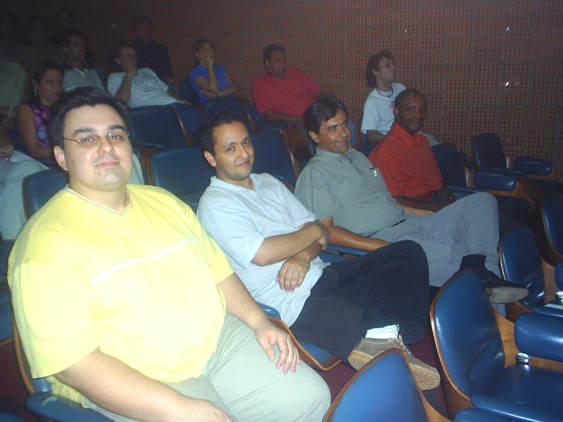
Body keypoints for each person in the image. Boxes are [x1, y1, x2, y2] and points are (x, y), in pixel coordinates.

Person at [8, 87, 330, 422]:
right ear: (61, 156)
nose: (106, 146)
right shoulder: (44, 244)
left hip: (218, 342)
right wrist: (178, 407)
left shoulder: (164, 202)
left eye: (116, 135)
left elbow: (219, 271)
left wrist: (259, 322)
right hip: (138, 373)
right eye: (87, 138)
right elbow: (73, 364)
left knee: (309, 398)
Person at [196, 111, 440, 390]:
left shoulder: (268, 182)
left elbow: (321, 233)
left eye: (246, 142)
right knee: (390, 359)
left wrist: (303, 255)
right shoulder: (215, 203)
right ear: (211, 158)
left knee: (407, 252)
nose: (244, 153)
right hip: (292, 300)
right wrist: (312, 233)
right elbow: (264, 253)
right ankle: (392, 358)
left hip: (322, 272)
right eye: (230, 148)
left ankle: (382, 335)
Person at [294, 95, 528, 303]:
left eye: (345, 124)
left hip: (411, 223)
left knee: (483, 202)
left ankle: (477, 270)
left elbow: (388, 201)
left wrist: (434, 215)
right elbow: (326, 232)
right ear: (315, 135)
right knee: (471, 259)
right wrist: (380, 246)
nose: (344, 133)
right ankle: (494, 305)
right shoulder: (315, 174)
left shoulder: (358, 157)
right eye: (333, 128)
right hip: (382, 238)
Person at [368, 88, 455, 211]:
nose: (418, 115)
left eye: (422, 109)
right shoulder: (386, 150)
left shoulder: (423, 141)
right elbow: (391, 199)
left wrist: (450, 195)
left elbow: (436, 182)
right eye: (410, 109)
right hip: (418, 210)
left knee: (480, 201)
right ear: (397, 112)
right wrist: (437, 208)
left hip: (438, 200)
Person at [107, 40, 201, 133]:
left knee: (203, 119)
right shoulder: (115, 77)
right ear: (118, 60)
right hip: (155, 112)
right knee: (202, 123)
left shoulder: (147, 71)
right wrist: (128, 76)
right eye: (128, 55)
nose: (132, 58)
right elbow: (121, 102)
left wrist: (179, 99)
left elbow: (167, 89)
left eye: (133, 55)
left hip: (175, 106)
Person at [252, 44, 324, 125]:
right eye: (277, 61)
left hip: (316, 116)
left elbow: (319, 93)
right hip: (294, 126)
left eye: (283, 60)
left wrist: (322, 107)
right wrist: (296, 119)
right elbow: (269, 115)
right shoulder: (260, 84)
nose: (282, 64)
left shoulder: (297, 74)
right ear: (267, 64)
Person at [0, 124, 47, 240]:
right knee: (28, 169)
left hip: (8, 161)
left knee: (42, 174)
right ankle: (13, 239)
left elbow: (2, 134)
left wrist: (4, 146)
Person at [16, 59, 63, 160]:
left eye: (59, 82)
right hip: (44, 161)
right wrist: (65, 155)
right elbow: (34, 150)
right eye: (50, 82)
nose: (56, 87)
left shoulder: (66, 106)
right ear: (35, 84)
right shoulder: (26, 109)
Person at [360, 49, 405, 144]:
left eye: (393, 64)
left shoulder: (401, 88)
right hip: (389, 143)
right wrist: (393, 141)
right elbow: (371, 135)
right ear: (375, 72)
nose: (393, 68)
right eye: (387, 65)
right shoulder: (372, 101)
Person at [189, 37, 237, 104]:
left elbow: (233, 87)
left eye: (211, 49)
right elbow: (213, 89)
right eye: (204, 50)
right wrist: (210, 67)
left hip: (229, 102)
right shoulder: (194, 73)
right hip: (211, 105)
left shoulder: (220, 68)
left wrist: (217, 94)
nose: (209, 52)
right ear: (197, 54)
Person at [133, 16, 175, 85]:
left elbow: (168, 72)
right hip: (141, 85)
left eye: (148, 28)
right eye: (142, 29)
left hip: (161, 84)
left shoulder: (161, 49)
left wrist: (168, 79)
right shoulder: (132, 49)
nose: (146, 32)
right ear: (137, 32)